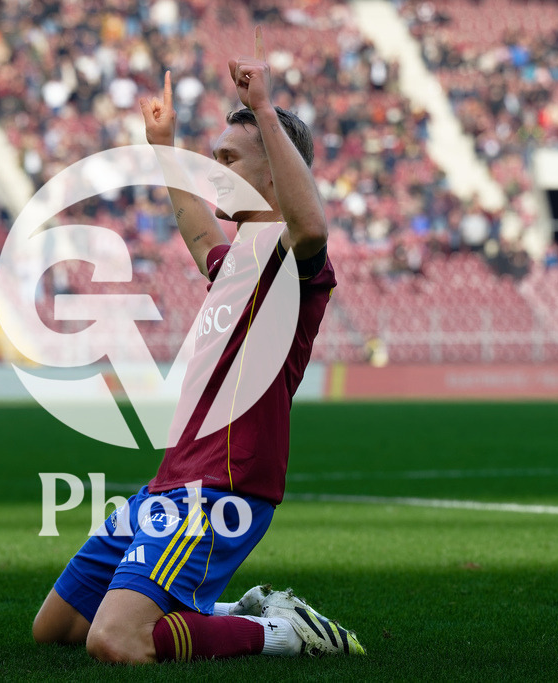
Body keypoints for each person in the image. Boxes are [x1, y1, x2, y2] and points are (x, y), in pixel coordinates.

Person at [32, 28, 365, 663]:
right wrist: (164, 149)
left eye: (230, 160)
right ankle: (237, 609)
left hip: (222, 490)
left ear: (273, 171)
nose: (216, 171)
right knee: (57, 630)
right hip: (168, 487)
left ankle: (285, 633)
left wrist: (265, 110)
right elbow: (194, 233)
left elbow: (310, 223)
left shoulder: (295, 265)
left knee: (116, 641)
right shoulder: (236, 260)